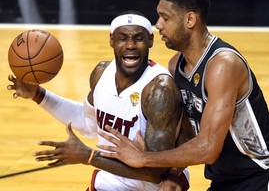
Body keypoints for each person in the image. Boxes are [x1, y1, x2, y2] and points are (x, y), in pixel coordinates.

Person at [96, 0, 269, 191]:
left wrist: (144, 158)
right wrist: (174, 174)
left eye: (165, 17)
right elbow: (189, 132)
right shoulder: (176, 65)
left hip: (263, 174)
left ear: (190, 20)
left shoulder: (223, 65)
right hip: (225, 179)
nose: (158, 24)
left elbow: (207, 148)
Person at [7, 10, 193, 190]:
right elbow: (88, 124)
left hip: (153, 186)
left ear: (150, 41)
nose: (130, 45)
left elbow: (155, 173)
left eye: (138, 38)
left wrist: (89, 156)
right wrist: (38, 95)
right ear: (111, 40)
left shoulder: (159, 89)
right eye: (122, 38)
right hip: (111, 179)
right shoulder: (101, 73)